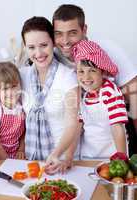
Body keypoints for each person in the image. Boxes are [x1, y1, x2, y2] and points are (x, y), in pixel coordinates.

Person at [0, 17, 79, 173]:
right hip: (29, 160)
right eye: (31, 47)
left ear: (53, 43)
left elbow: (73, 124)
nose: (38, 53)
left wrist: (60, 156)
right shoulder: (20, 76)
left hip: (60, 159)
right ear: (25, 47)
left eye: (44, 45)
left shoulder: (68, 77)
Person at [52, 4, 137, 155]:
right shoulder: (52, 54)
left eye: (72, 33)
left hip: (116, 129)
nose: (65, 41)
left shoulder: (106, 50)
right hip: (88, 143)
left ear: (84, 30)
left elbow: (134, 95)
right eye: (58, 33)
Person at [71, 40, 128, 159]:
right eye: (81, 71)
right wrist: (69, 156)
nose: (86, 77)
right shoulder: (84, 95)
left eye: (92, 71)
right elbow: (79, 128)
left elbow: (117, 127)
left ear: (102, 72)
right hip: (87, 156)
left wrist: (122, 158)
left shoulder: (110, 92)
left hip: (111, 157)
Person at [0, 62, 25, 160]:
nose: (11, 93)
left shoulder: (22, 104)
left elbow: (24, 131)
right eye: (5, 89)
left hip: (14, 150)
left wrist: (21, 149)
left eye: (14, 86)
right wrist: (7, 161)